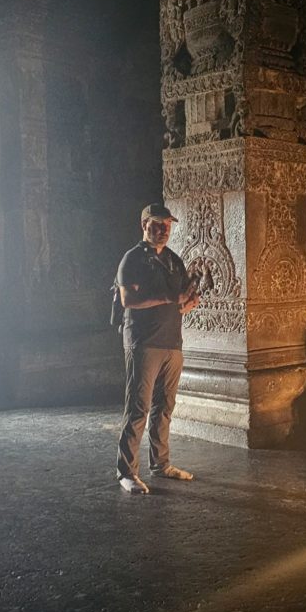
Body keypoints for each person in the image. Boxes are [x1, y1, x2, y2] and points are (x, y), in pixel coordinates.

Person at [115, 202, 200, 494]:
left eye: (167, 225)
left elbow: (180, 302)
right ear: (144, 225)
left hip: (172, 342)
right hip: (143, 342)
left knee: (164, 407)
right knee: (139, 408)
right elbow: (128, 300)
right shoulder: (133, 259)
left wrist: (188, 303)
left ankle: (161, 464)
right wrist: (170, 297)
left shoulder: (174, 261)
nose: (163, 230)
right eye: (157, 224)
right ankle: (127, 472)